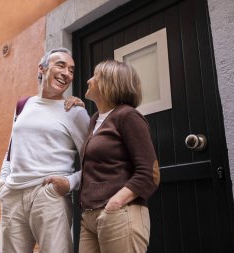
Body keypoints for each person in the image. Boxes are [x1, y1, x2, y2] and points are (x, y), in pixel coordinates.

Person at [0, 48, 90, 253]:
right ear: (42, 68)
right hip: (12, 194)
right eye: (61, 65)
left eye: (71, 70)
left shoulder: (74, 111)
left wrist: (69, 183)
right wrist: (2, 182)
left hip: (48, 195)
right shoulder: (24, 104)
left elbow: (94, 160)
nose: (67, 73)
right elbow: (11, 148)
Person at [75, 60, 160, 253]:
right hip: (89, 217)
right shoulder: (95, 120)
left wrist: (114, 204)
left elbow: (150, 173)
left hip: (119, 212)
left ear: (110, 82)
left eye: (95, 76)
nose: (89, 80)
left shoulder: (128, 116)